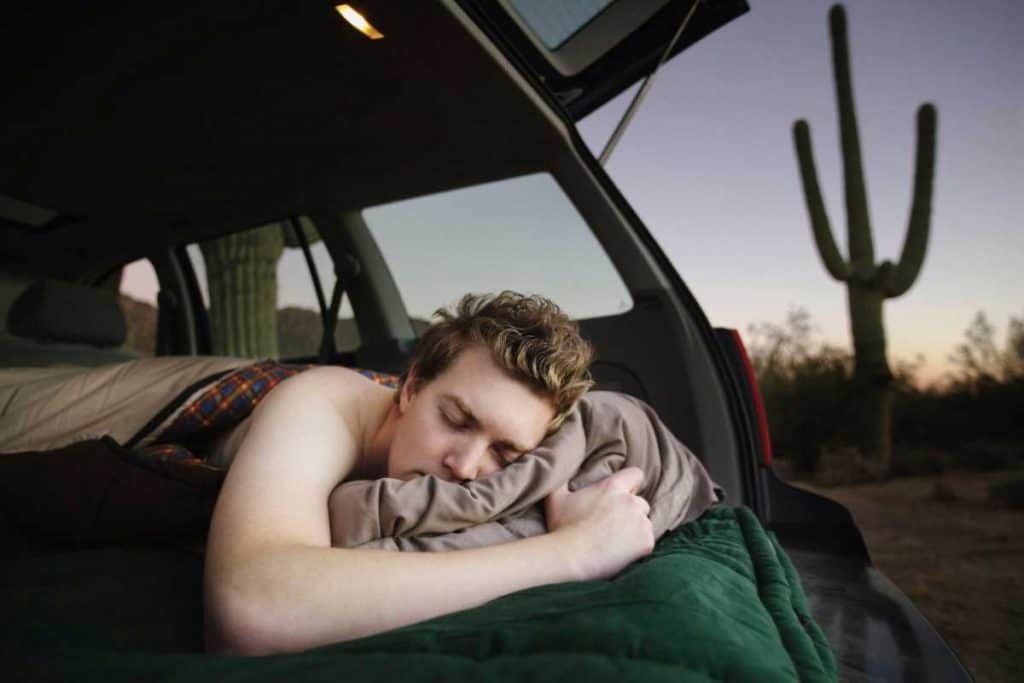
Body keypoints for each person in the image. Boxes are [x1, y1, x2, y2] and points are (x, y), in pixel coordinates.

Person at [203, 291, 655, 656]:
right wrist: (572, 554)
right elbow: (251, 608)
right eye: (456, 420)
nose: (464, 467)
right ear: (411, 387)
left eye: (503, 452)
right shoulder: (318, 405)